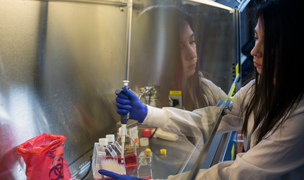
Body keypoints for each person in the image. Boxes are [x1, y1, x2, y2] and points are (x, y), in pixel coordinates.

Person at [102, 0, 304, 179]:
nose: (253, 51)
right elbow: (214, 117)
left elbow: (237, 174)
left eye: (266, 42)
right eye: (256, 38)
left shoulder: (299, 116)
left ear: (291, 47)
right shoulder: (260, 88)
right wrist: (148, 113)